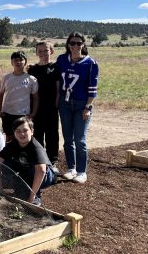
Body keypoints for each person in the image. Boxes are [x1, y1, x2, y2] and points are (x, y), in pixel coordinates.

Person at [56, 32, 99, 184]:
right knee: (68, 139)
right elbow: (55, 78)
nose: (75, 46)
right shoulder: (62, 59)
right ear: (68, 45)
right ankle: (71, 168)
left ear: (83, 45)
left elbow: (93, 88)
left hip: (82, 105)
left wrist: (88, 107)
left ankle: (81, 172)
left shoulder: (90, 63)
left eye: (78, 43)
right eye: (72, 43)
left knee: (80, 139)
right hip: (65, 103)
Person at [0, 117, 56, 207]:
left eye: (25, 130)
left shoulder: (36, 147)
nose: (22, 134)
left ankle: (36, 195)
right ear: (14, 133)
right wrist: (0, 189)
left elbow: (41, 171)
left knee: (34, 169)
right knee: (6, 163)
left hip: (45, 176)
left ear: (32, 131)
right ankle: (19, 188)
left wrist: (31, 198)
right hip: (25, 170)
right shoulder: (12, 145)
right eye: (18, 131)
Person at [28, 41, 61, 174]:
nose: (43, 53)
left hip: (51, 107)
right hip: (36, 108)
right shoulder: (32, 69)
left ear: (51, 51)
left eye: (45, 50)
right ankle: (39, 161)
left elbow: (58, 89)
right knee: (37, 135)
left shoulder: (56, 67)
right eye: (40, 51)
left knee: (52, 135)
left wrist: (56, 105)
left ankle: (52, 162)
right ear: (36, 53)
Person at [0, 51, 39, 141]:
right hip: (7, 113)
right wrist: (0, 110)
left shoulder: (31, 79)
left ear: (25, 62)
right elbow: (0, 95)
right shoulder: (6, 78)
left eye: (21, 60)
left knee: (23, 138)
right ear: (12, 62)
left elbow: (36, 98)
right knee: (9, 138)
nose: (18, 62)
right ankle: (9, 155)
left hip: (23, 115)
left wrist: (33, 113)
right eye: (15, 60)